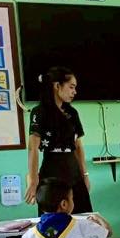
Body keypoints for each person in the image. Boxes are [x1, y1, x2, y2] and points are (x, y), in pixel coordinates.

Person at [24, 67, 92, 214]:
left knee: (82, 215)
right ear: (57, 86)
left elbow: (78, 146)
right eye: (71, 87)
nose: (74, 92)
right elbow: (33, 148)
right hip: (51, 171)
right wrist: (33, 180)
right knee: (53, 217)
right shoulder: (39, 112)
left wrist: (85, 175)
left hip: (74, 172)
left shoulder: (72, 113)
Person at [20, 177, 112, 238]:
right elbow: (108, 233)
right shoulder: (84, 226)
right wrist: (98, 218)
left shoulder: (28, 237)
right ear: (64, 204)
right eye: (71, 198)